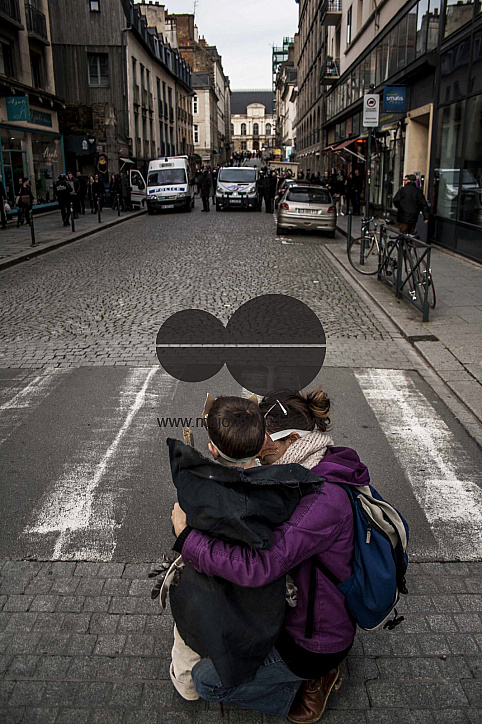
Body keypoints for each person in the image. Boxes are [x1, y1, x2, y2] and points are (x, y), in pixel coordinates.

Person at [171, 387, 363, 721]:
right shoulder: (303, 465)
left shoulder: (321, 500)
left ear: (291, 438)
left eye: (263, 441)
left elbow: (261, 566)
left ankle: (309, 682)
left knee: (207, 681)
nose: (257, 449)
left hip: (312, 640)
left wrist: (188, 539)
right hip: (294, 610)